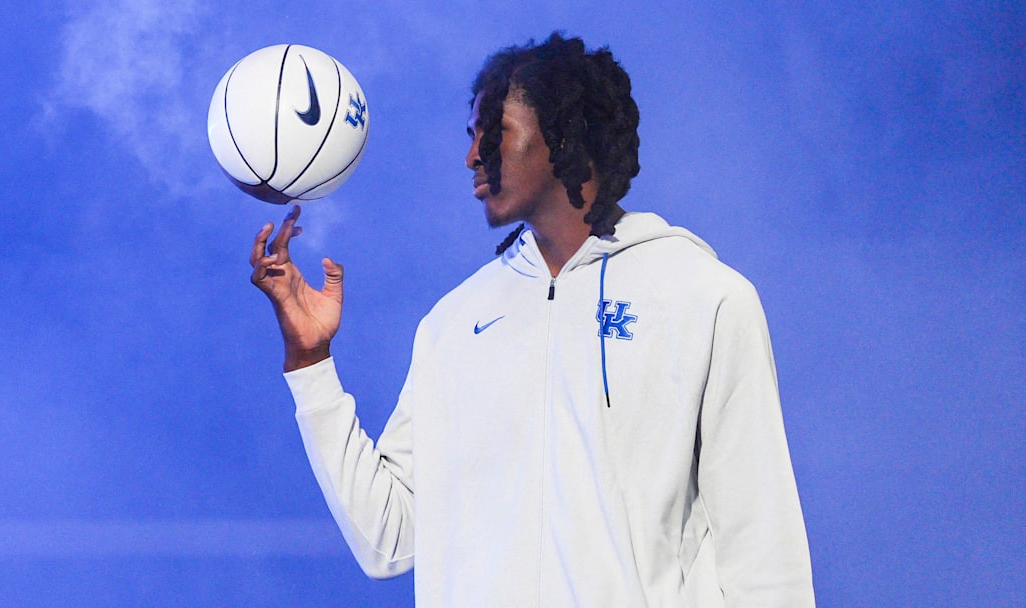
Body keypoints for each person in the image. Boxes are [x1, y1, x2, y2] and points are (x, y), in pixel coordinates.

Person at [250, 33, 815, 607]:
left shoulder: (705, 298)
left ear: (563, 136)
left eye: (493, 134)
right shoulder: (453, 323)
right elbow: (389, 539)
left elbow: (764, 552)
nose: (472, 156)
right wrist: (311, 363)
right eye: (471, 137)